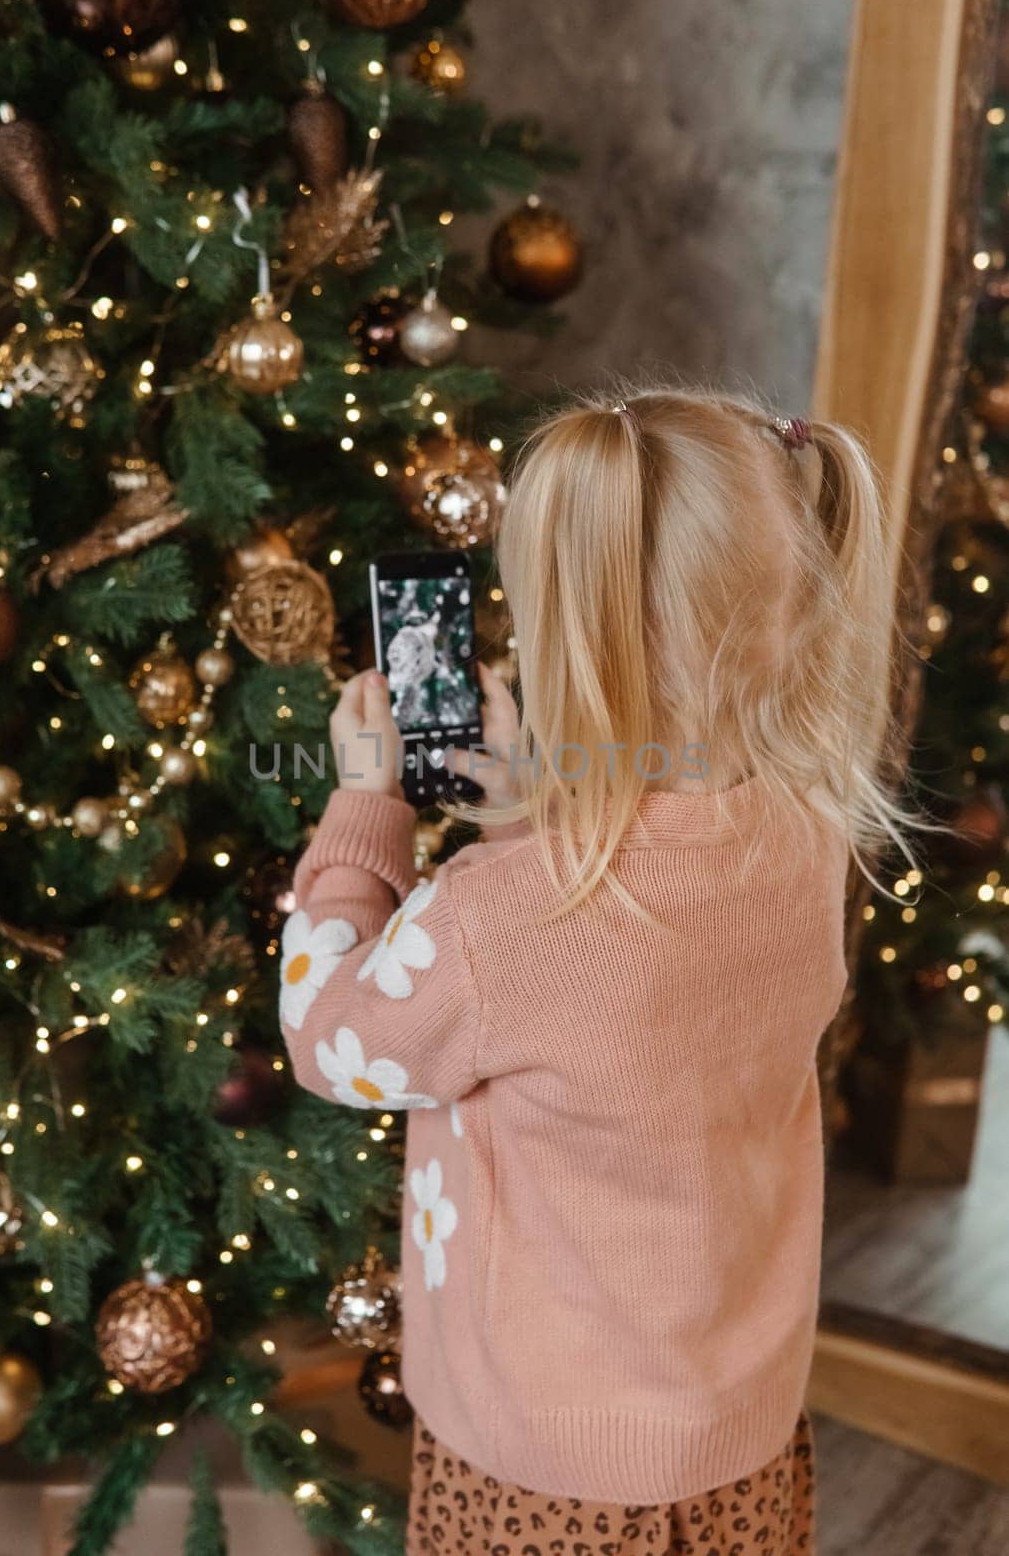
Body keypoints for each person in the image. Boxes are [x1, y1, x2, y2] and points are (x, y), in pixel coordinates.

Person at [278, 385, 913, 1556]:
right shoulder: (801, 832)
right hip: (734, 1435)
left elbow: (333, 1041)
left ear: (571, 633)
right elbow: (631, 978)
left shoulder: (500, 915)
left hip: (543, 1468)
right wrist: (530, 821)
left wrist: (361, 815)